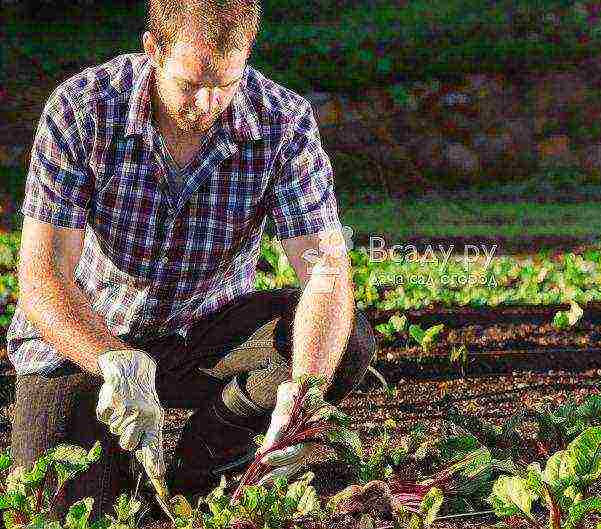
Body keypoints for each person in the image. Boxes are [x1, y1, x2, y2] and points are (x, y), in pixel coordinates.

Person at [6, 0, 377, 522]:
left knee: (345, 340)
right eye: (190, 84)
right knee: (62, 509)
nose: (206, 103)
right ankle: (119, 450)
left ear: (246, 56)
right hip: (88, 341)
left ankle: (204, 460)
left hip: (204, 335)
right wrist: (115, 361)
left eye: (225, 84)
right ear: (153, 49)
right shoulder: (82, 110)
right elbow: (42, 278)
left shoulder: (283, 124)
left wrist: (303, 394)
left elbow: (324, 270)